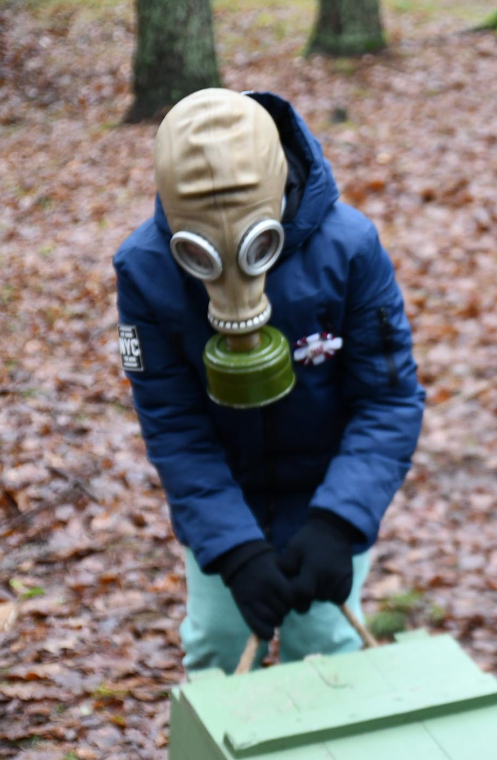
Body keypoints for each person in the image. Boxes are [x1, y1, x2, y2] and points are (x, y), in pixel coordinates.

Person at [113, 89, 424, 674]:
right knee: (217, 650)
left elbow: (388, 398)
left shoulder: (349, 249)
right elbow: (172, 423)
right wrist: (231, 548)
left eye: (255, 244)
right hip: (222, 506)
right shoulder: (147, 269)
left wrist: (338, 521)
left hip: (326, 495)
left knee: (331, 658)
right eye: (199, 254)